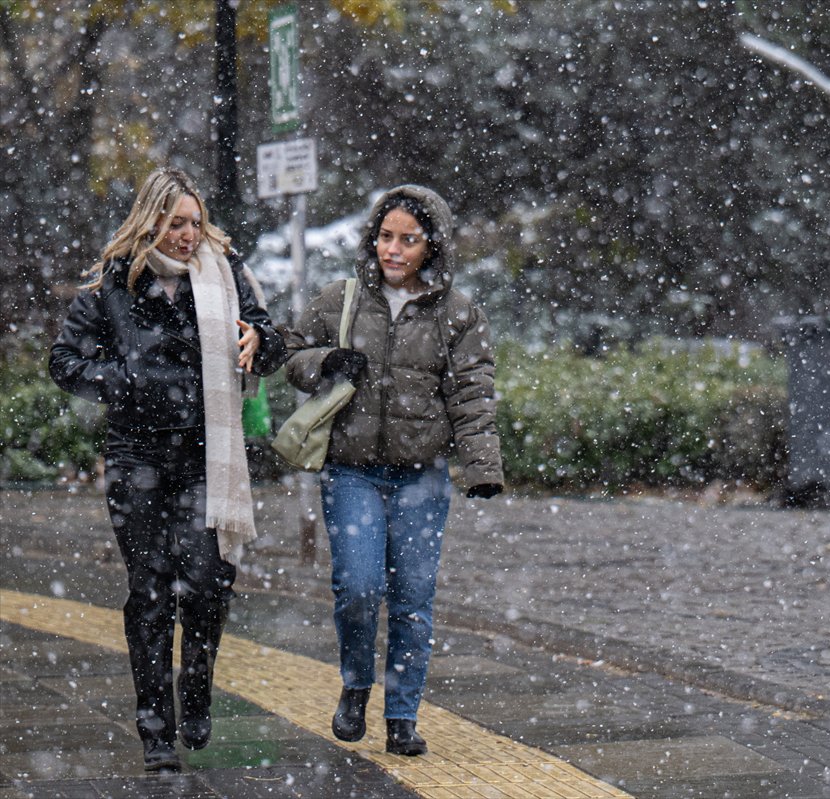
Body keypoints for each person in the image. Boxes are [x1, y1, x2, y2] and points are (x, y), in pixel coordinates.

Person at [48, 167, 287, 772]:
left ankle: (197, 688)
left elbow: (269, 341)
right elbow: (64, 360)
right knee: (150, 590)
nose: (188, 235)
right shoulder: (114, 280)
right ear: (150, 221)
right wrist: (122, 381)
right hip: (137, 456)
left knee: (208, 583)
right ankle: (156, 730)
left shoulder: (224, 273)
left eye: (195, 222)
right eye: (176, 223)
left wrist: (260, 341)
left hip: (207, 453)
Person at [285, 185, 503, 756]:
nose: (394, 249)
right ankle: (356, 685)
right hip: (351, 473)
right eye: (386, 236)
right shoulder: (341, 299)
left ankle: (402, 716)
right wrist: (325, 360)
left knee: (412, 600)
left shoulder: (458, 314)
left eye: (408, 239)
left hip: (422, 478)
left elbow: (473, 394)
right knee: (358, 587)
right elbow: (290, 355)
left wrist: (481, 466)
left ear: (432, 246)